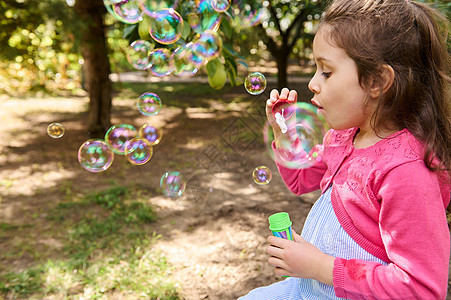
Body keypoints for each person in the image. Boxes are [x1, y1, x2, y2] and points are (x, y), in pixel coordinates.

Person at [239, 0, 451, 299]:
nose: (313, 83)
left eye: (326, 72)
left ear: (378, 81)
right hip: (309, 289)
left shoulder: (406, 173)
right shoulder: (342, 137)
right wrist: (284, 133)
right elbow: (301, 182)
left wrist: (320, 267)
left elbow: (422, 289)